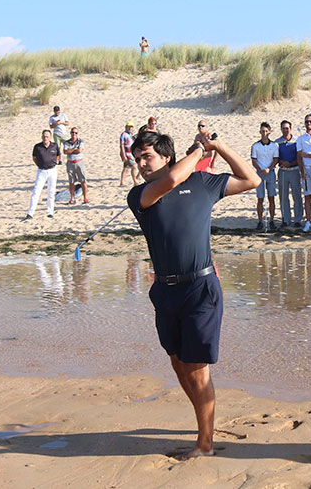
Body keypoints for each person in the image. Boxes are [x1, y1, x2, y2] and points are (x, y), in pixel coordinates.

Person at [127, 130, 260, 460]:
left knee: (197, 369)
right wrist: (200, 149)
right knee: (177, 362)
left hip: (201, 289)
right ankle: (205, 421)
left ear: (166, 156)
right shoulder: (141, 194)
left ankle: (205, 444)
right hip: (165, 290)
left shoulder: (203, 183)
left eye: (148, 156)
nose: (141, 163)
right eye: (138, 157)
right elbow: (172, 179)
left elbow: (251, 179)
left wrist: (218, 146)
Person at [23, 129, 60, 220]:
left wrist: (56, 162)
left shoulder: (54, 146)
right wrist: (40, 165)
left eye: (47, 136)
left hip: (52, 170)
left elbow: (58, 155)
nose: (45, 138)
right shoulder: (37, 147)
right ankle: (30, 213)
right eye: (44, 136)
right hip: (41, 171)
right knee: (36, 191)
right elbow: (34, 158)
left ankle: (50, 212)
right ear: (41, 137)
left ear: (50, 137)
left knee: (51, 192)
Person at [250, 122, 279, 231]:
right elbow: (254, 160)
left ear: (269, 132)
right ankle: (260, 221)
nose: (264, 133)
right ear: (260, 132)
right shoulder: (255, 146)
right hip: (259, 173)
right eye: (262, 131)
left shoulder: (274, 145)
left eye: (266, 131)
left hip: (270, 173)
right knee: (260, 198)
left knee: (271, 197)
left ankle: (271, 220)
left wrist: (269, 169)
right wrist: (260, 170)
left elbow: (276, 159)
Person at [275, 120, 302, 228]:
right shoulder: (277, 142)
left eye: (287, 128)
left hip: (295, 170)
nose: (285, 130)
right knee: (283, 196)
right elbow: (276, 157)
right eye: (283, 128)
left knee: (297, 196)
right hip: (283, 172)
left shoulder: (297, 141)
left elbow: (299, 157)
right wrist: (282, 162)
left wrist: (290, 163)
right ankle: (286, 219)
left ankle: (297, 219)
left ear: (290, 129)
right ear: (281, 129)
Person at [62, 127, 89, 204]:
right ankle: (72, 198)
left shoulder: (80, 141)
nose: (74, 134)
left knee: (83, 181)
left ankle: (85, 198)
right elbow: (65, 151)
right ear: (70, 133)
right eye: (73, 132)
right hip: (70, 163)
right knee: (71, 181)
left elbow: (79, 150)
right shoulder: (66, 142)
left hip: (79, 162)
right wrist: (74, 149)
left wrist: (72, 150)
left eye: (76, 133)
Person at [120, 121, 139, 186]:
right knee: (134, 167)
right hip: (127, 154)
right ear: (126, 127)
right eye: (129, 127)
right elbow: (121, 145)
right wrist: (123, 154)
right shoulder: (124, 134)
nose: (130, 128)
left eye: (131, 127)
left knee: (126, 168)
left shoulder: (131, 135)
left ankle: (122, 181)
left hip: (131, 153)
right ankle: (135, 181)